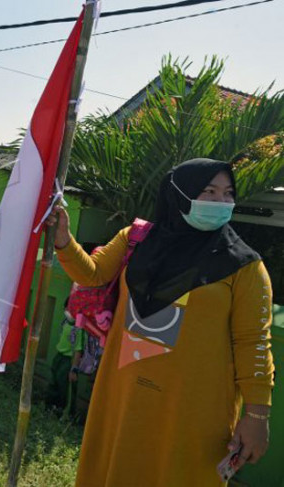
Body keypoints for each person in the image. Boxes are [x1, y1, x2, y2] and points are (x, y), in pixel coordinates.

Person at [47, 159, 274, 486]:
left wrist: (257, 416)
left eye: (228, 194)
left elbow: (254, 343)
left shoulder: (244, 266)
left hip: (191, 409)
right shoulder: (136, 239)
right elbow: (92, 274)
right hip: (124, 391)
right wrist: (64, 241)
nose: (221, 203)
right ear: (179, 193)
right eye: (208, 192)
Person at [47, 299, 85, 412]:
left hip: (68, 360)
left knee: (63, 386)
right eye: (67, 308)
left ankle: (61, 410)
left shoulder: (78, 329)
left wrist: (73, 369)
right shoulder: (65, 323)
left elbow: (78, 350)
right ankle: (50, 405)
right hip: (59, 356)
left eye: (71, 309)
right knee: (53, 381)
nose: (68, 311)